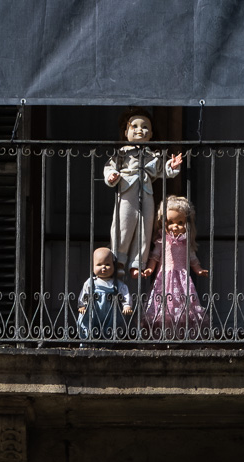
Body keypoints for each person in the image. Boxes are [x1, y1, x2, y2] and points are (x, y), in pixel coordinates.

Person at [104, 110, 182, 279]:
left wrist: (172, 166)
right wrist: (111, 176)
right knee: (123, 225)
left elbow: (163, 169)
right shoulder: (122, 152)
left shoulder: (152, 155)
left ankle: (137, 264)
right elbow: (110, 167)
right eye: (135, 126)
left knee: (144, 228)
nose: (140, 130)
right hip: (126, 192)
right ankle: (118, 260)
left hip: (146, 194)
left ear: (151, 133)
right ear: (126, 132)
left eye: (145, 127)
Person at [141, 194, 208, 337]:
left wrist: (199, 270)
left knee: (182, 307)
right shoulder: (162, 241)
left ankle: (180, 335)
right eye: (170, 222)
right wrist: (149, 269)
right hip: (164, 279)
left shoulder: (186, 243)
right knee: (164, 307)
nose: (175, 227)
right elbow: (154, 257)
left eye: (180, 222)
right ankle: (164, 335)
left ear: (187, 224)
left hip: (182, 280)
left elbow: (193, 259)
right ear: (163, 222)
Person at [77, 247, 132, 339]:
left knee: (111, 326)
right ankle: (87, 340)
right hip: (94, 310)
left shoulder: (117, 283)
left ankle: (107, 342)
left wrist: (126, 305)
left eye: (107, 264)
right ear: (93, 266)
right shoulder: (90, 282)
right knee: (88, 323)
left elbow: (124, 293)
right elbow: (84, 293)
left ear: (114, 265)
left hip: (110, 311)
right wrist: (82, 305)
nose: (103, 267)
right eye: (99, 264)